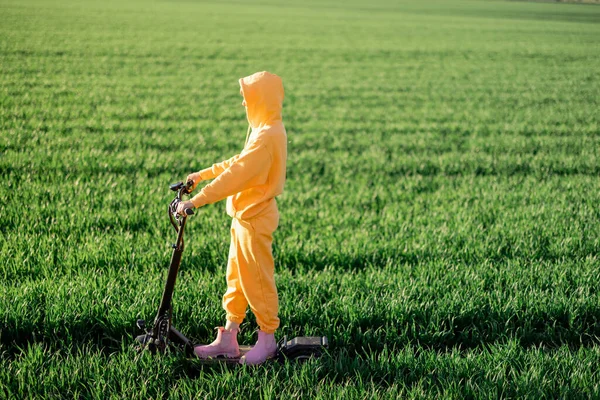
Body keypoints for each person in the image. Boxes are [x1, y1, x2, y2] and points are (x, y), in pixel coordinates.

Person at [176, 71, 287, 365]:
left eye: (247, 99)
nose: (243, 104)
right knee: (236, 278)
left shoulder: (267, 137)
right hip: (243, 217)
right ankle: (228, 337)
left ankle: (267, 339)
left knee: (257, 281)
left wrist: (196, 201)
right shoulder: (263, 130)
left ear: (260, 100)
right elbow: (236, 162)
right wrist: (202, 174)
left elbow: (235, 177)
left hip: (255, 218)